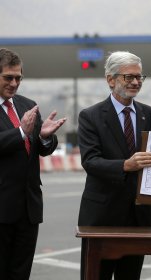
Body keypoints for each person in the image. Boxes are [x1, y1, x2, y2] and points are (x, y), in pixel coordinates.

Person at [77, 51, 151, 280]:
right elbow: (90, 161)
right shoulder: (90, 116)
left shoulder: (147, 113)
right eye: (128, 77)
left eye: (139, 77)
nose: (135, 82)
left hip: (138, 216)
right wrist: (126, 165)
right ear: (110, 80)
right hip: (102, 217)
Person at [0, 48, 66, 280]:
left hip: (28, 210)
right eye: (8, 77)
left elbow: (42, 150)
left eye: (18, 77)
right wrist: (20, 132)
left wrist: (45, 136)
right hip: (2, 208)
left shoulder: (28, 105)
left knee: (21, 273)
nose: (14, 83)